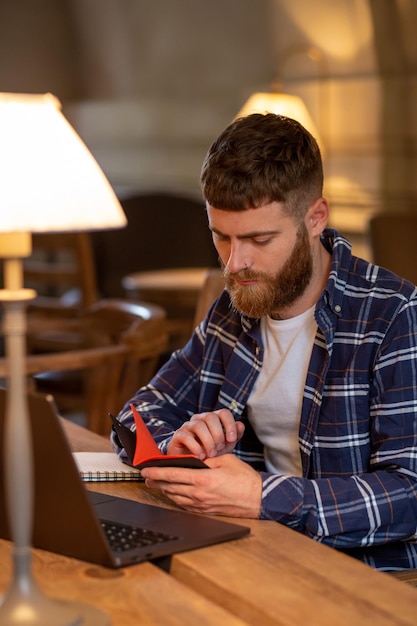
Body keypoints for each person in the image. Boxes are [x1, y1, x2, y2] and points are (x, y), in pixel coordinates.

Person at [112, 113, 417, 571]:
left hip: (364, 573)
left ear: (315, 218)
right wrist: (176, 442)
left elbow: (409, 494)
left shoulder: (394, 315)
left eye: (259, 238)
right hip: (251, 548)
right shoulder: (234, 307)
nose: (236, 263)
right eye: (221, 237)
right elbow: (136, 413)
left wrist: (260, 494)